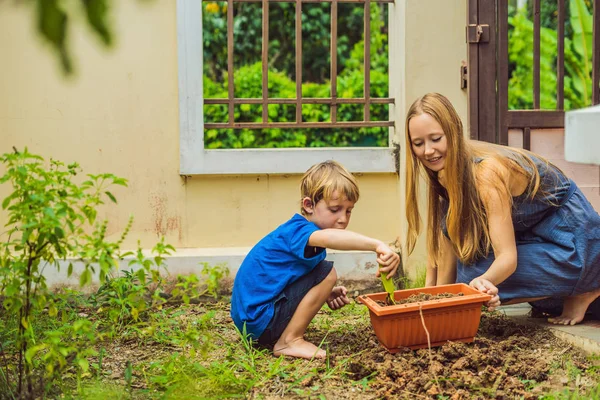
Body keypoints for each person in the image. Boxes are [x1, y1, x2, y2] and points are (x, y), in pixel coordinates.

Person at [404, 92, 600, 326]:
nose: (428, 151)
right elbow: (446, 245)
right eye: (418, 143)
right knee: (463, 276)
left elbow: (507, 257)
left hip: (578, 243)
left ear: (453, 132)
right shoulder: (446, 172)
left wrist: (483, 282)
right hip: (540, 240)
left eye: (436, 139)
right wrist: (429, 305)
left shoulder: (485, 172)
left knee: (468, 276)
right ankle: (571, 292)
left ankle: (588, 287)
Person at [230, 160, 401, 359]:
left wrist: (322, 292)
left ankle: (287, 337)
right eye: (335, 209)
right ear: (309, 205)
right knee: (326, 271)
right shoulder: (300, 231)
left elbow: (287, 277)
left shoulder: (302, 236)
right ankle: (289, 341)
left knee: (321, 273)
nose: (343, 219)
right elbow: (333, 238)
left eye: (348, 210)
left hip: (254, 321)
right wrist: (377, 245)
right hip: (260, 319)